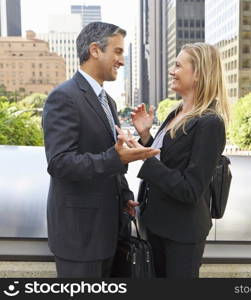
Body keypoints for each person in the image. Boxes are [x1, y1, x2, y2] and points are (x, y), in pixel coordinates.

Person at [42, 22, 159, 278]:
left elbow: (110, 159)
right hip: (79, 238)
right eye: (117, 52)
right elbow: (60, 163)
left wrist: (125, 194)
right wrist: (115, 157)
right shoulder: (64, 97)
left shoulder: (108, 101)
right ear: (95, 50)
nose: (122, 61)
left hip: (109, 232)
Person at [122, 43, 230, 278]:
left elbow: (190, 189)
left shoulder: (210, 123)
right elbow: (169, 160)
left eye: (178, 65)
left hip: (182, 235)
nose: (172, 71)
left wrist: (143, 156)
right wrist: (146, 137)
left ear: (199, 73)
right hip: (157, 226)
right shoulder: (176, 112)